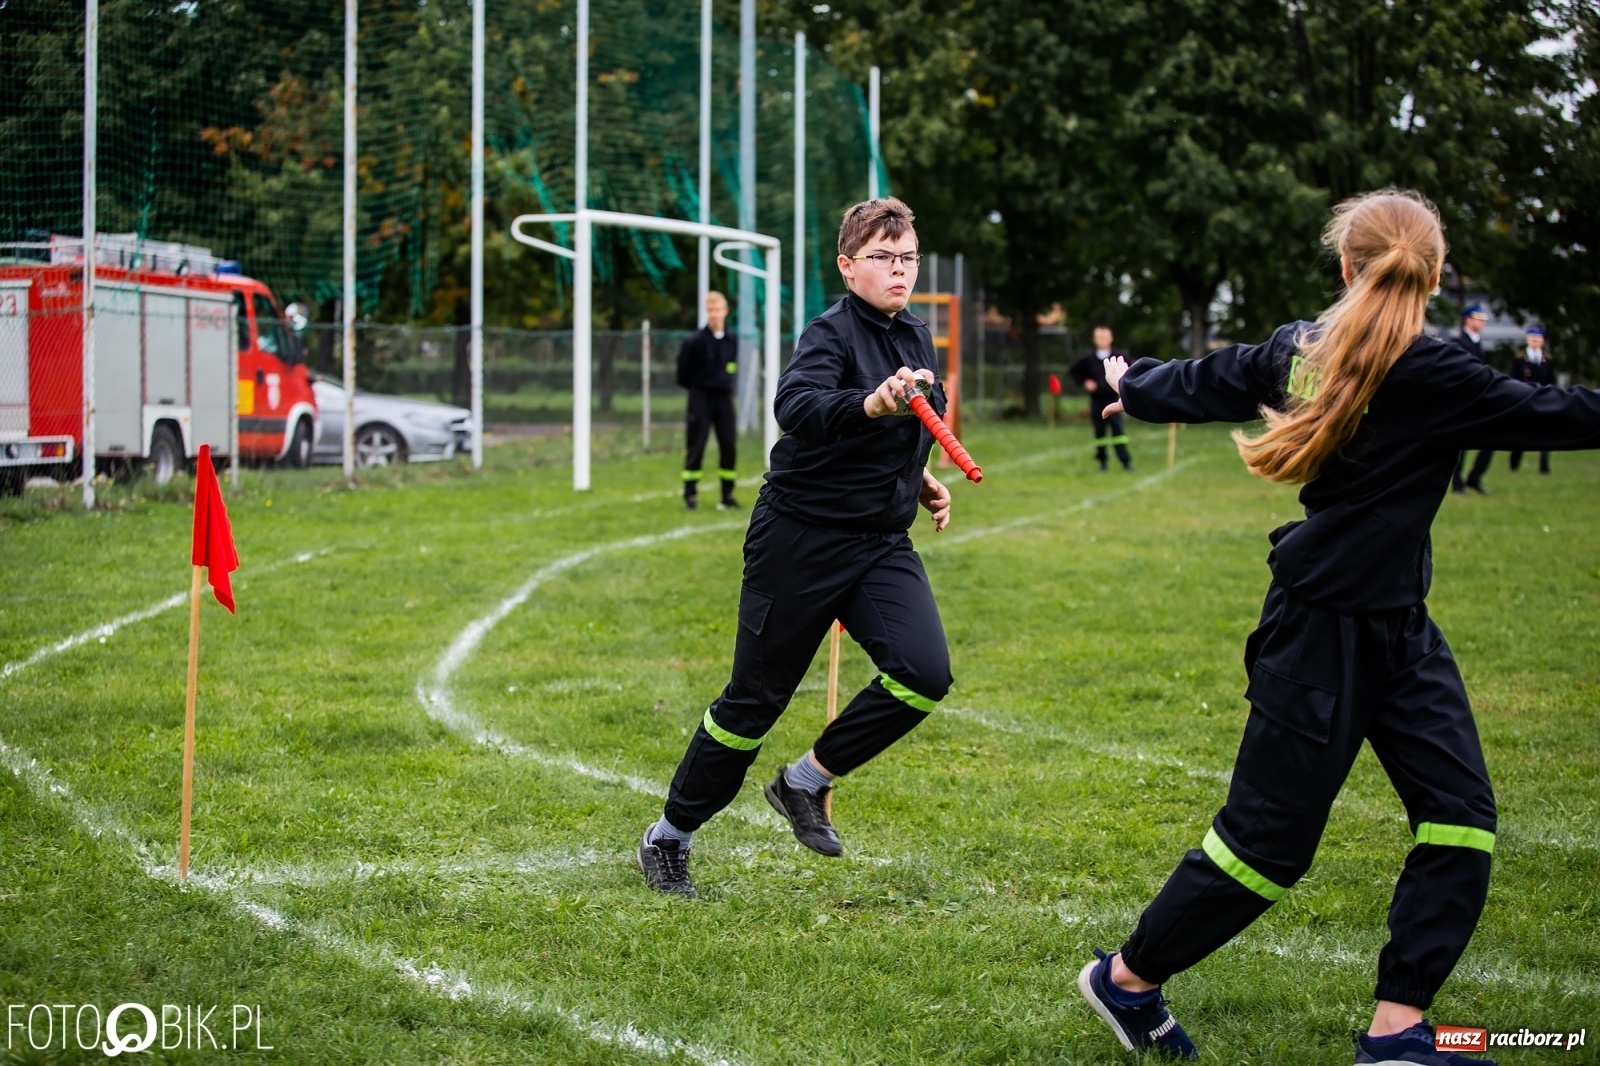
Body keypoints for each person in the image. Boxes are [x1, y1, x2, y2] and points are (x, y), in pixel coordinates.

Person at [1081, 190, 1600, 1063]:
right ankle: (1125, 980)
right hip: (1318, 637)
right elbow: (1572, 414)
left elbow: (1212, 377)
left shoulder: (1307, 349)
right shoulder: (1433, 374)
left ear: (1347, 266)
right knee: (1265, 849)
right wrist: (1147, 390)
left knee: (1460, 817)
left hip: (1400, 631)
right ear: (1432, 275)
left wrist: (1134, 384)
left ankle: (1398, 1031)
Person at [638, 197, 956, 898]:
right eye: (883, 257)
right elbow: (799, 408)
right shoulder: (829, 335)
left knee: (923, 673)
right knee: (754, 702)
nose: (899, 270)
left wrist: (920, 476)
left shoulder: (918, 337)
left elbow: (912, 422)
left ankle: (803, 782)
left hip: (879, 543)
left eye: (908, 258)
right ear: (848, 267)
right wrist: (869, 404)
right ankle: (669, 837)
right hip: (800, 540)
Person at [676, 290, 740, 510]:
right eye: (710, 310)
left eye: (718, 310)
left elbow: (732, 367)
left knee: (729, 444)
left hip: (724, 398)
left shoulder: (732, 339)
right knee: (696, 443)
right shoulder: (695, 341)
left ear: (725, 311)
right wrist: (699, 386)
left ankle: (727, 495)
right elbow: (682, 374)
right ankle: (690, 493)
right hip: (701, 397)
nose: (714, 314)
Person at [1069, 326, 1135, 471]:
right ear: (1094, 339)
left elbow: (1132, 371)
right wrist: (1085, 381)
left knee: (1118, 432)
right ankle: (1102, 462)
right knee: (1099, 432)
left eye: (1104, 337)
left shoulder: (1119, 357)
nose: (1102, 340)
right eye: (1099, 337)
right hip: (1096, 401)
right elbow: (1074, 372)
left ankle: (1125, 462)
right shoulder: (1088, 359)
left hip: (1114, 399)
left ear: (1111, 339)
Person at [1453, 304, 1495, 494]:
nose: (1482, 322)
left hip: (1477, 397)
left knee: (1489, 441)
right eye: (1478, 318)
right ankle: (1457, 482)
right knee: (1460, 445)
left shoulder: (1477, 342)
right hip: (1463, 399)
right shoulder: (1460, 343)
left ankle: (1473, 478)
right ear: (1468, 320)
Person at [1508, 327, 1554, 475]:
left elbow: (1550, 380)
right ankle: (1514, 464)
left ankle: (1544, 467)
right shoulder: (1520, 359)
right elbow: (1513, 379)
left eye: (1538, 339)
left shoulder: (1547, 360)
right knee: (1520, 435)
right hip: (1524, 399)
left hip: (1543, 399)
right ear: (1528, 340)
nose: (1535, 342)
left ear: (1542, 341)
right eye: (1532, 339)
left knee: (1546, 435)